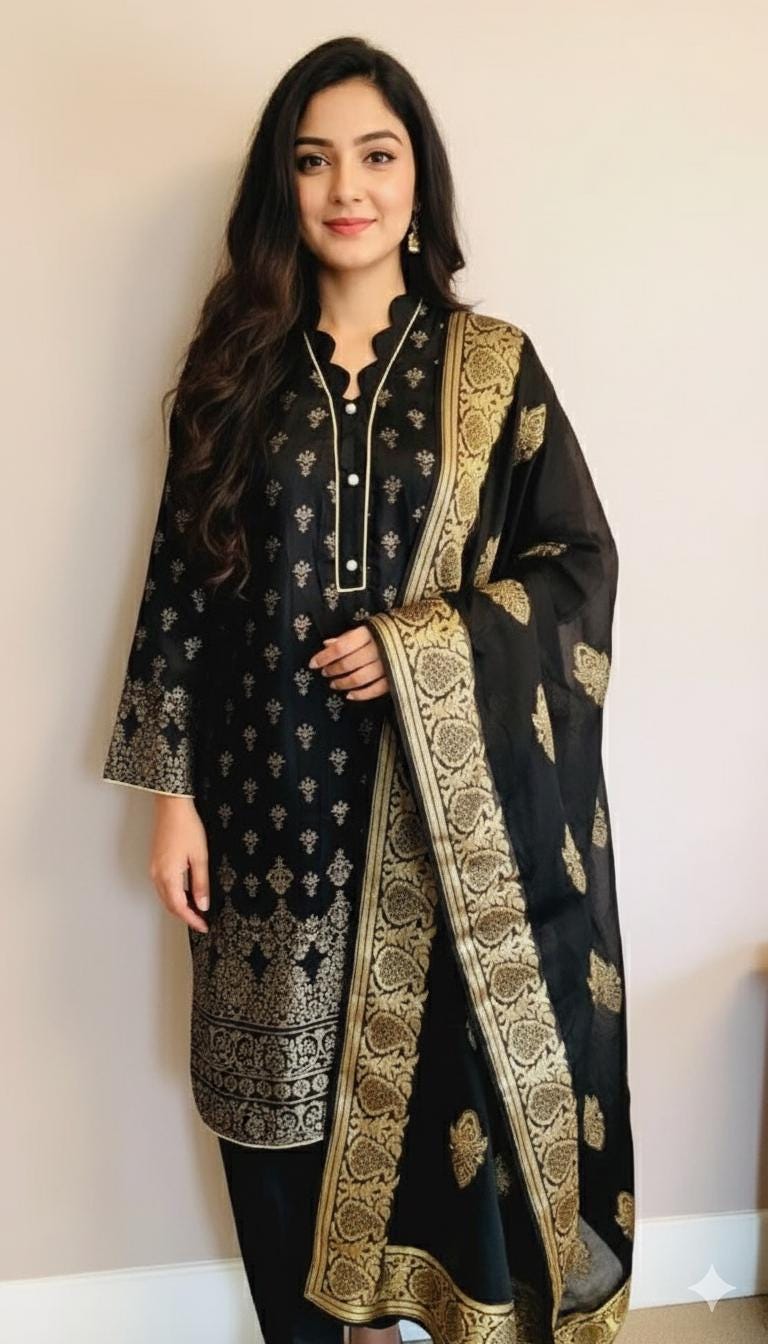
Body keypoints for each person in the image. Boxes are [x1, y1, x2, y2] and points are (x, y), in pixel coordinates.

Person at [102, 34, 635, 1344]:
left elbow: (578, 567)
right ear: (282, 186)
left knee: (440, 1124)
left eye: (377, 156)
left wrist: (422, 643)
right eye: (315, 160)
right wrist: (171, 798)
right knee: (273, 1125)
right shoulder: (235, 369)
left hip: (442, 837)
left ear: (417, 179)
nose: (348, 187)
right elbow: (181, 586)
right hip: (265, 812)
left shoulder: (492, 366)